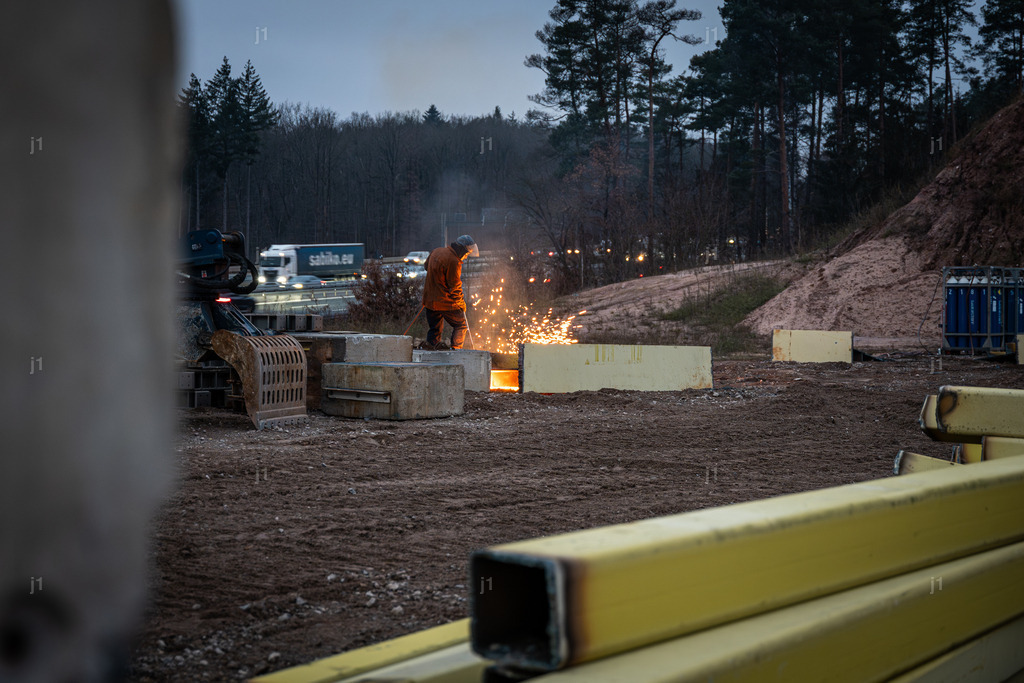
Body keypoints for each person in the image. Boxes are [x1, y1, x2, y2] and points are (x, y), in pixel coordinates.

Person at [422, 234, 479, 350]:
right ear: (461, 250)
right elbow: (455, 287)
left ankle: (431, 354)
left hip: (428, 300)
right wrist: (461, 304)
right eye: (466, 254)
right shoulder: (454, 261)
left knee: (435, 329)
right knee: (461, 325)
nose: (466, 257)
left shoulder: (437, 251)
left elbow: (426, 266)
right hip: (443, 302)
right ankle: (456, 350)